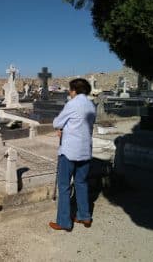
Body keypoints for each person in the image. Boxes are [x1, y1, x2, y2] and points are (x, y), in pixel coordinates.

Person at [49, 78, 96, 231]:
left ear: (74, 90)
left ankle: (64, 222)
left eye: (70, 90)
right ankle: (84, 216)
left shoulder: (72, 103)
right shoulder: (91, 105)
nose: (69, 92)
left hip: (69, 151)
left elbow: (57, 123)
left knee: (64, 186)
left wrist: (62, 128)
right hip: (85, 150)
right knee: (81, 183)